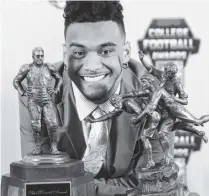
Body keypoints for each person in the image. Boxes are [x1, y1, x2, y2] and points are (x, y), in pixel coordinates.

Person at [17, 1, 167, 195]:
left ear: (126, 53)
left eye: (105, 51)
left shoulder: (153, 91)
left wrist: (73, 185)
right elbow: (39, 182)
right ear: (65, 54)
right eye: (79, 53)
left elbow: (154, 183)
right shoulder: (38, 87)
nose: (92, 66)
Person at [123, 74, 209, 164]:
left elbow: (151, 106)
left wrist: (138, 118)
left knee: (196, 122)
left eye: (144, 82)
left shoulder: (157, 90)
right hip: (163, 115)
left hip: (172, 112)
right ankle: (199, 133)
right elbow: (135, 93)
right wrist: (122, 97)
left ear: (150, 81)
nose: (142, 84)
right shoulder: (149, 91)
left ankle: (167, 156)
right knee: (176, 126)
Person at [13, 47, 63, 155]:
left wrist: (56, 89)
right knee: (36, 126)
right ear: (33, 57)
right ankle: (38, 147)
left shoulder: (49, 67)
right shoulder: (26, 68)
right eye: (38, 56)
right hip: (34, 101)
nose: (40, 58)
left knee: (52, 124)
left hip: (47, 99)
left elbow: (60, 78)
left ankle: (54, 148)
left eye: (42, 56)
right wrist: (23, 91)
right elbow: (16, 81)